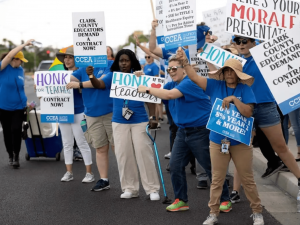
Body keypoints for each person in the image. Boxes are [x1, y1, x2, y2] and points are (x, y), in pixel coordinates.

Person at [178, 48, 263, 224]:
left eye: (233, 71)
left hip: (240, 142)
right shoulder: (214, 85)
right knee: (217, 179)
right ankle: (213, 213)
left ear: (239, 74)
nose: (230, 73)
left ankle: (257, 212)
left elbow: (248, 112)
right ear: (223, 73)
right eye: (227, 70)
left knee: (247, 179)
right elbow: (194, 77)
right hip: (218, 141)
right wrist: (185, 62)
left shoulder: (245, 89)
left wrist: (234, 99)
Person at [138, 52, 231, 212]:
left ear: (184, 70)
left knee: (210, 167)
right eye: (168, 70)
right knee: (175, 166)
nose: (171, 72)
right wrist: (140, 78)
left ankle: (225, 199)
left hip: (200, 131)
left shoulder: (189, 82)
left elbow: (168, 95)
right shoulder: (173, 83)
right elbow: (159, 91)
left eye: (174, 68)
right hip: (183, 132)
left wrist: (146, 88)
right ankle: (181, 200)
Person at [86, 49, 161, 201]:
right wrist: (91, 76)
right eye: (121, 61)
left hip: (139, 120)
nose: (124, 63)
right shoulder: (113, 76)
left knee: (143, 153)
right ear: (117, 62)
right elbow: (99, 84)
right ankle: (130, 188)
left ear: (132, 61)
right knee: (123, 155)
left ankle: (152, 188)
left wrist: (153, 117)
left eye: (126, 60)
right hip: (119, 122)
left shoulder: (139, 76)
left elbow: (150, 97)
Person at [233, 35, 300, 183]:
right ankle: (235, 191)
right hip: (244, 109)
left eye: (245, 41)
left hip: (265, 106)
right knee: (242, 149)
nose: (241, 44)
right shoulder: (235, 63)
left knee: (280, 146)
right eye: (238, 42)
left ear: (253, 42)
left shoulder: (263, 57)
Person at [66, 51, 114, 191]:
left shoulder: (110, 64)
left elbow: (101, 82)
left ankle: (127, 182)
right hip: (91, 114)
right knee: (100, 148)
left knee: (118, 147)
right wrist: (43, 84)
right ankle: (104, 180)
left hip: (111, 112)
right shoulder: (82, 69)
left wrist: (79, 85)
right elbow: (67, 80)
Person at [55, 46, 94, 183]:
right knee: (67, 143)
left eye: (70, 57)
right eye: (65, 57)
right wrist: (41, 86)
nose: (67, 59)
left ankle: (89, 173)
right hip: (63, 112)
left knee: (81, 142)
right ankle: (69, 172)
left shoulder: (82, 72)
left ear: (76, 59)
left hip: (79, 111)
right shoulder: (59, 75)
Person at [0, 39, 34, 168]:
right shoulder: (3, 68)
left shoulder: (21, 70)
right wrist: (24, 45)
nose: (22, 63)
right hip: (3, 107)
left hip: (18, 107)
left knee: (16, 130)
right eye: (20, 60)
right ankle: (9, 154)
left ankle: (16, 156)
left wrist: (27, 103)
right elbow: (8, 55)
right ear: (14, 59)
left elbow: (21, 89)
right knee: (7, 132)